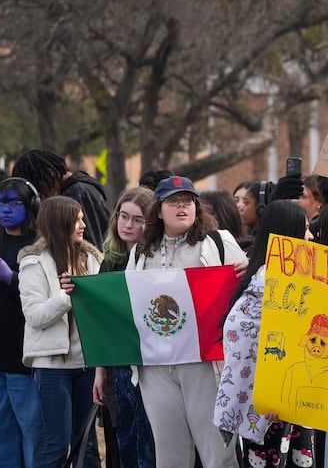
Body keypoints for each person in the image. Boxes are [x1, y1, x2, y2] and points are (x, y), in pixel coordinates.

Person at [127, 176, 247, 468]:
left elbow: (249, 295)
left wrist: (250, 269)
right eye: (173, 200)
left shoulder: (218, 241)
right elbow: (126, 300)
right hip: (156, 366)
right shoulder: (141, 251)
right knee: (169, 456)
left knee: (217, 453)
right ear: (158, 210)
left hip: (203, 362)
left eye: (188, 200)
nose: (182, 205)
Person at [215, 200, 316, 468]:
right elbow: (246, 346)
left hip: (295, 401)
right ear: (287, 234)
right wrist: (272, 394)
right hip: (269, 408)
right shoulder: (264, 286)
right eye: (304, 229)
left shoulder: (294, 281)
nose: (311, 236)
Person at [18, 196, 103, 468]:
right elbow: (35, 316)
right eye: (77, 219)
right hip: (51, 365)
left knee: (88, 444)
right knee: (56, 443)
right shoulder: (33, 263)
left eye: (82, 218)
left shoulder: (92, 259)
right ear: (60, 222)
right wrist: (68, 296)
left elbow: (102, 307)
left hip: (88, 364)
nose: (83, 224)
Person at [0, 177, 44, 466]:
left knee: (35, 434)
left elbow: (46, 300)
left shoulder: (41, 246)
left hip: (25, 361)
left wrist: (13, 279)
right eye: (2, 202)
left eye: (14, 203)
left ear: (31, 206)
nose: (5, 209)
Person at [94, 186, 156, 468]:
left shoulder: (156, 261)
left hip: (149, 367)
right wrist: (99, 370)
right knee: (119, 442)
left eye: (138, 219)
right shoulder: (110, 261)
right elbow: (102, 321)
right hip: (115, 367)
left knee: (147, 444)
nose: (128, 225)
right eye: (123, 216)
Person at [12, 149, 111, 247]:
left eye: (39, 188)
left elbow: (90, 243)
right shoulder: (81, 188)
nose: (41, 196)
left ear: (51, 173)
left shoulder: (77, 193)